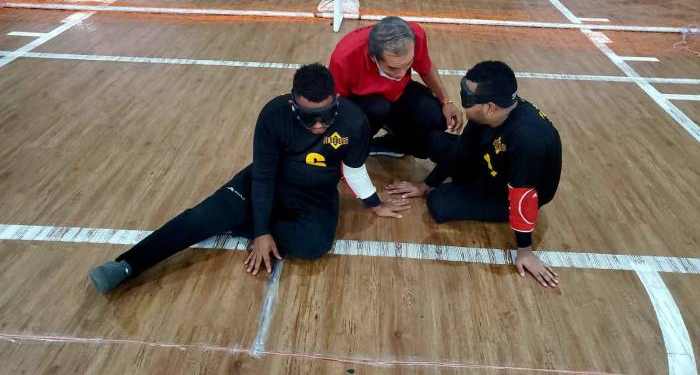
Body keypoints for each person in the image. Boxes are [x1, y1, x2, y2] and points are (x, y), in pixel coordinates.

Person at [89, 63, 410, 294]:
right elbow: (265, 174)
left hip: (316, 196)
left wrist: (374, 203)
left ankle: (242, 224)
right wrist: (262, 231)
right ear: (293, 103)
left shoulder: (354, 122)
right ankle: (127, 265)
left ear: (335, 101)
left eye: (326, 116)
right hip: (265, 183)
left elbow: (353, 169)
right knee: (200, 218)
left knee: (314, 246)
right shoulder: (273, 115)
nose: (318, 126)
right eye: (309, 118)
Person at [386, 61, 562, 287]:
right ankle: (460, 185)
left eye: (468, 98)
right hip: (492, 164)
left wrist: (525, 251)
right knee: (435, 141)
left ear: (489, 106)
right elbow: (462, 148)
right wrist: (424, 185)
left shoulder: (528, 139)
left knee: (439, 204)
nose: (464, 102)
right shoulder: (489, 114)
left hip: (508, 193)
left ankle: (466, 190)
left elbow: (523, 196)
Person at [329, 16, 463, 158]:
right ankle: (357, 147)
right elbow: (337, 106)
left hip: (397, 93)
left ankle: (393, 144)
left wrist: (446, 101)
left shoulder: (415, 35)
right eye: (393, 68)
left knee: (437, 117)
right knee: (378, 108)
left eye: (407, 65)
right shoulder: (344, 58)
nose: (401, 74)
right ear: (373, 57)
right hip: (363, 103)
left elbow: (425, 67)